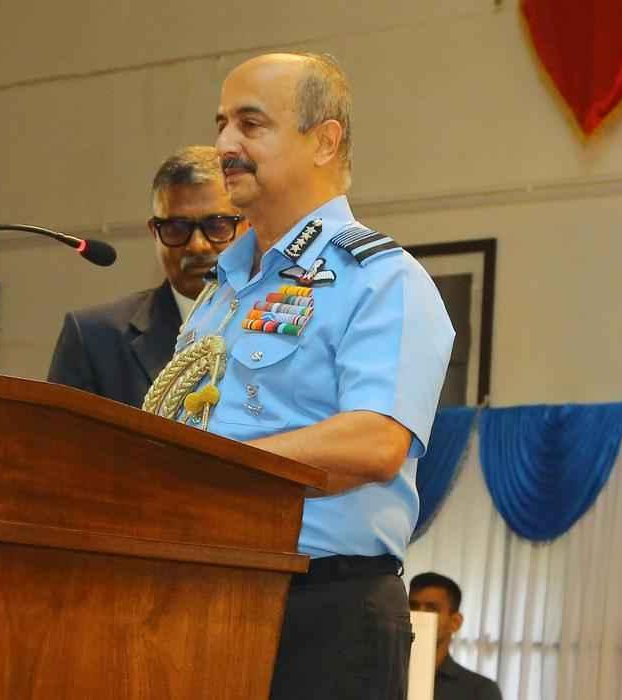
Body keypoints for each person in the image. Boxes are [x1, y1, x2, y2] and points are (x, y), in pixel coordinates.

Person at [144, 53, 454, 699]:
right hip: (196, 592)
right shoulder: (222, 291)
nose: (225, 145)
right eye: (222, 123)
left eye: (251, 124)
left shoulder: (380, 278)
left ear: (324, 140)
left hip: (321, 611)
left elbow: (375, 441)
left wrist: (212, 469)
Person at [47, 146, 246, 406]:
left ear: (248, 224)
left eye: (217, 225)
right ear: (154, 232)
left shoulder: (280, 322)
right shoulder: (94, 339)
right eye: (176, 228)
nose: (197, 246)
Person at [409, 572, 503, 700]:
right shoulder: (387, 678)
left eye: (432, 609)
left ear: (455, 622)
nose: (419, 615)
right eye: (412, 606)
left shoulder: (480, 691)